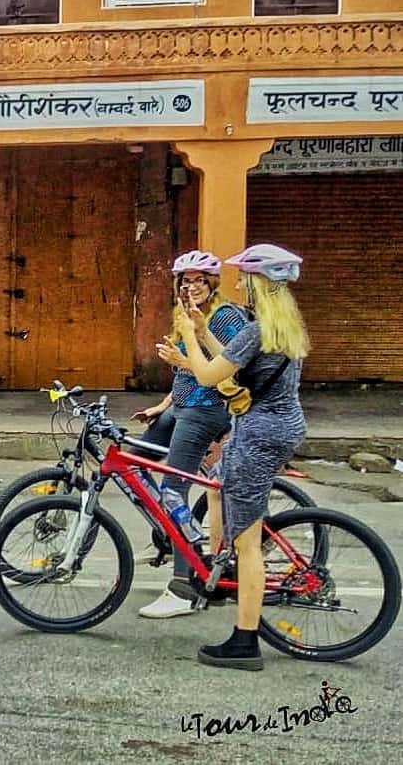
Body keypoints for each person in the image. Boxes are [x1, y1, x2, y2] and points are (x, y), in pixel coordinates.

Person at [156, 243, 309, 671]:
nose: (238, 283)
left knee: (248, 544)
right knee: (221, 487)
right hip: (283, 425)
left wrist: (187, 332)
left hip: (258, 435)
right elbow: (230, 357)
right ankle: (220, 568)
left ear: (259, 283)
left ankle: (246, 642)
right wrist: (204, 330)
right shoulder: (282, 327)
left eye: (244, 277)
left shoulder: (256, 331)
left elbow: (207, 374)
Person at [132, 250, 249, 619]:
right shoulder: (183, 314)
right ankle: (173, 534)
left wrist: (185, 360)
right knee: (132, 467)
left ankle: (183, 586)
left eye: (199, 280)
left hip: (205, 411)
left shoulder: (227, 317)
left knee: (172, 492)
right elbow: (185, 375)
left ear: (212, 283)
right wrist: (162, 406)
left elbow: (225, 369)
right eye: (186, 281)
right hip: (181, 407)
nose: (191, 287)